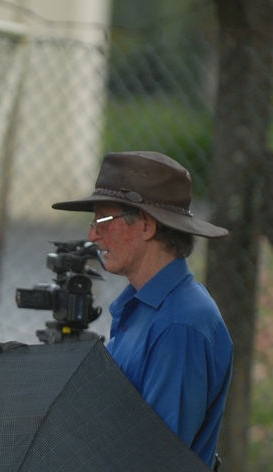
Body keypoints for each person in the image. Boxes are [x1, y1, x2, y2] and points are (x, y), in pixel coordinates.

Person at [51, 151, 233, 468]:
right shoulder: (144, 307)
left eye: (103, 221)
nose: (93, 234)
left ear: (146, 226)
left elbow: (157, 457)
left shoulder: (180, 323)